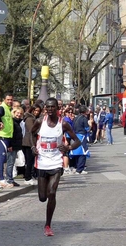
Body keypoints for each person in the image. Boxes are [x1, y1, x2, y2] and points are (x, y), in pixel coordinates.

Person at [30, 98, 81, 236]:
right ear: (45, 108)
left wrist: (68, 147)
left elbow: (78, 141)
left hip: (56, 162)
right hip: (41, 161)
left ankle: (48, 225)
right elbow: (31, 134)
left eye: (53, 107)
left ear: (57, 108)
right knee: (42, 197)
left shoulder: (63, 124)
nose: (50, 109)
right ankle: (45, 197)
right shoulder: (40, 122)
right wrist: (33, 146)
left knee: (52, 192)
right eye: (48, 107)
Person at [0, 93, 14, 188]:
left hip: (7, 136)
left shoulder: (8, 109)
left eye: (11, 99)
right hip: (1, 136)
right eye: (8, 99)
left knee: (1, 158)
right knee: (1, 158)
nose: (10, 101)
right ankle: (1, 179)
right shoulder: (2, 107)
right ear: (4, 99)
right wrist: (0, 122)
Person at [22, 104, 42, 185]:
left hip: (33, 141)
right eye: (35, 110)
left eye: (38, 111)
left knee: (31, 160)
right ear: (32, 110)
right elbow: (31, 130)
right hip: (28, 142)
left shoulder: (34, 118)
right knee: (29, 161)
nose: (36, 112)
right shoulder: (29, 118)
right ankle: (27, 177)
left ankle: (30, 175)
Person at [6, 107, 24, 186]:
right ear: (13, 113)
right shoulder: (12, 122)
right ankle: (9, 179)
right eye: (17, 113)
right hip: (12, 145)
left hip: (16, 145)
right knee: (10, 163)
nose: (19, 115)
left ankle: (10, 179)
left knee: (12, 163)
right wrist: (10, 145)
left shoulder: (18, 122)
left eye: (20, 113)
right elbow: (10, 134)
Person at [70, 105, 91, 174]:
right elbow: (87, 129)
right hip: (82, 136)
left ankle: (76, 167)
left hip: (75, 136)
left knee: (76, 153)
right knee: (83, 153)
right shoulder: (84, 119)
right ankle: (80, 169)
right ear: (85, 111)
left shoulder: (76, 118)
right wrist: (90, 126)